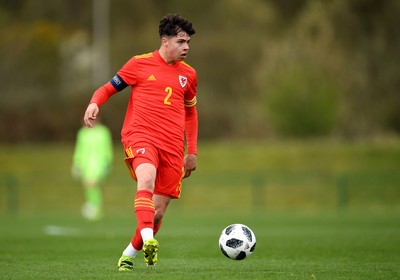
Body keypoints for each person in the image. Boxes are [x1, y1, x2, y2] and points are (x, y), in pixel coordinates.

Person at [83, 14, 198, 270]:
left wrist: (192, 151)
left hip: (173, 148)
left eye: (188, 42)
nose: (186, 47)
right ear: (165, 41)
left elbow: (191, 113)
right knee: (146, 178)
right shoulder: (139, 64)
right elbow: (108, 88)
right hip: (140, 135)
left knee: (157, 214)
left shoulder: (189, 75)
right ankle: (149, 240)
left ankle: (128, 255)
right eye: (181, 41)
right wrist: (94, 102)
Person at [72, 118, 113, 221]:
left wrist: (107, 162)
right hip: (85, 164)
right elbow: (79, 149)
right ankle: (93, 206)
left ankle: (95, 207)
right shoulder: (82, 133)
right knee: (88, 185)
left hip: (99, 163)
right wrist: (76, 163)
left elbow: (107, 148)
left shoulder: (103, 132)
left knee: (93, 183)